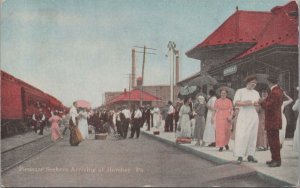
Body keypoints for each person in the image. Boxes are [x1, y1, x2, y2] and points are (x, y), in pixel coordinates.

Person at [234, 74, 260, 163]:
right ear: (248, 82)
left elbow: (258, 106)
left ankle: (250, 155)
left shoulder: (256, 93)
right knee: (242, 135)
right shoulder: (240, 91)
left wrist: (257, 105)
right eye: (253, 82)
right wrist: (246, 103)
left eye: (255, 83)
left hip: (253, 115)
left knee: (253, 135)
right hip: (244, 115)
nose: (254, 84)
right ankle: (240, 156)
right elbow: (236, 103)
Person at [260, 75, 284, 167]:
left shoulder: (274, 92)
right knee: (273, 141)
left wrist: (261, 102)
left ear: (269, 82)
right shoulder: (279, 91)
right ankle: (274, 159)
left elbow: (269, 106)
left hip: (272, 120)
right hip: (275, 119)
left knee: (273, 141)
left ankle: (276, 161)